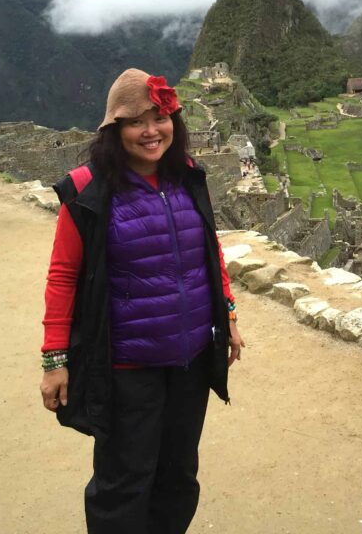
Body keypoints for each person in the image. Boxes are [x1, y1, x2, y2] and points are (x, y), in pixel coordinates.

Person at [39, 69, 246, 533]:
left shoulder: (189, 178)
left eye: (161, 117)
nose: (152, 131)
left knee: (178, 476)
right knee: (124, 481)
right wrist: (55, 359)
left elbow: (208, 251)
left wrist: (228, 313)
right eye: (136, 122)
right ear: (115, 131)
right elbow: (63, 275)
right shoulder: (87, 191)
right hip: (127, 366)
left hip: (189, 357)